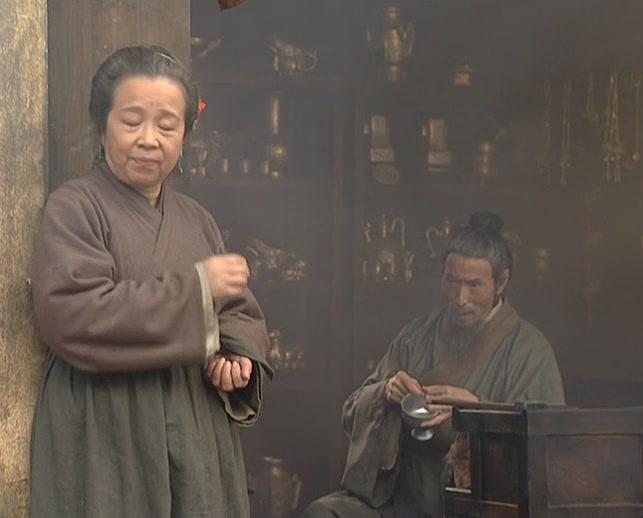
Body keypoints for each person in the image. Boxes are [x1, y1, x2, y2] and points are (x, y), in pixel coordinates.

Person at [29, 46, 271, 518]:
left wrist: (235, 356)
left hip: (192, 421)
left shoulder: (197, 220)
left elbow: (237, 313)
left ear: (184, 137)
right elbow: (74, 314)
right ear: (102, 126)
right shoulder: (74, 208)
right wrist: (198, 290)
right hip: (107, 425)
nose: (148, 139)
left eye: (166, 126)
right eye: (131, 121)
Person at [302, 210, 565, 518]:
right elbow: (351, 411)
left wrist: (476, 413)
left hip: (478, 504)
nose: (460, 298)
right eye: (452, 281)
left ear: (502, 282)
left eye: (475, 285)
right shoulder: (416, 336)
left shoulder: (530, 351)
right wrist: (386, 392)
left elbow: (548, 450)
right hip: (401, 496)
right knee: (324, 513)